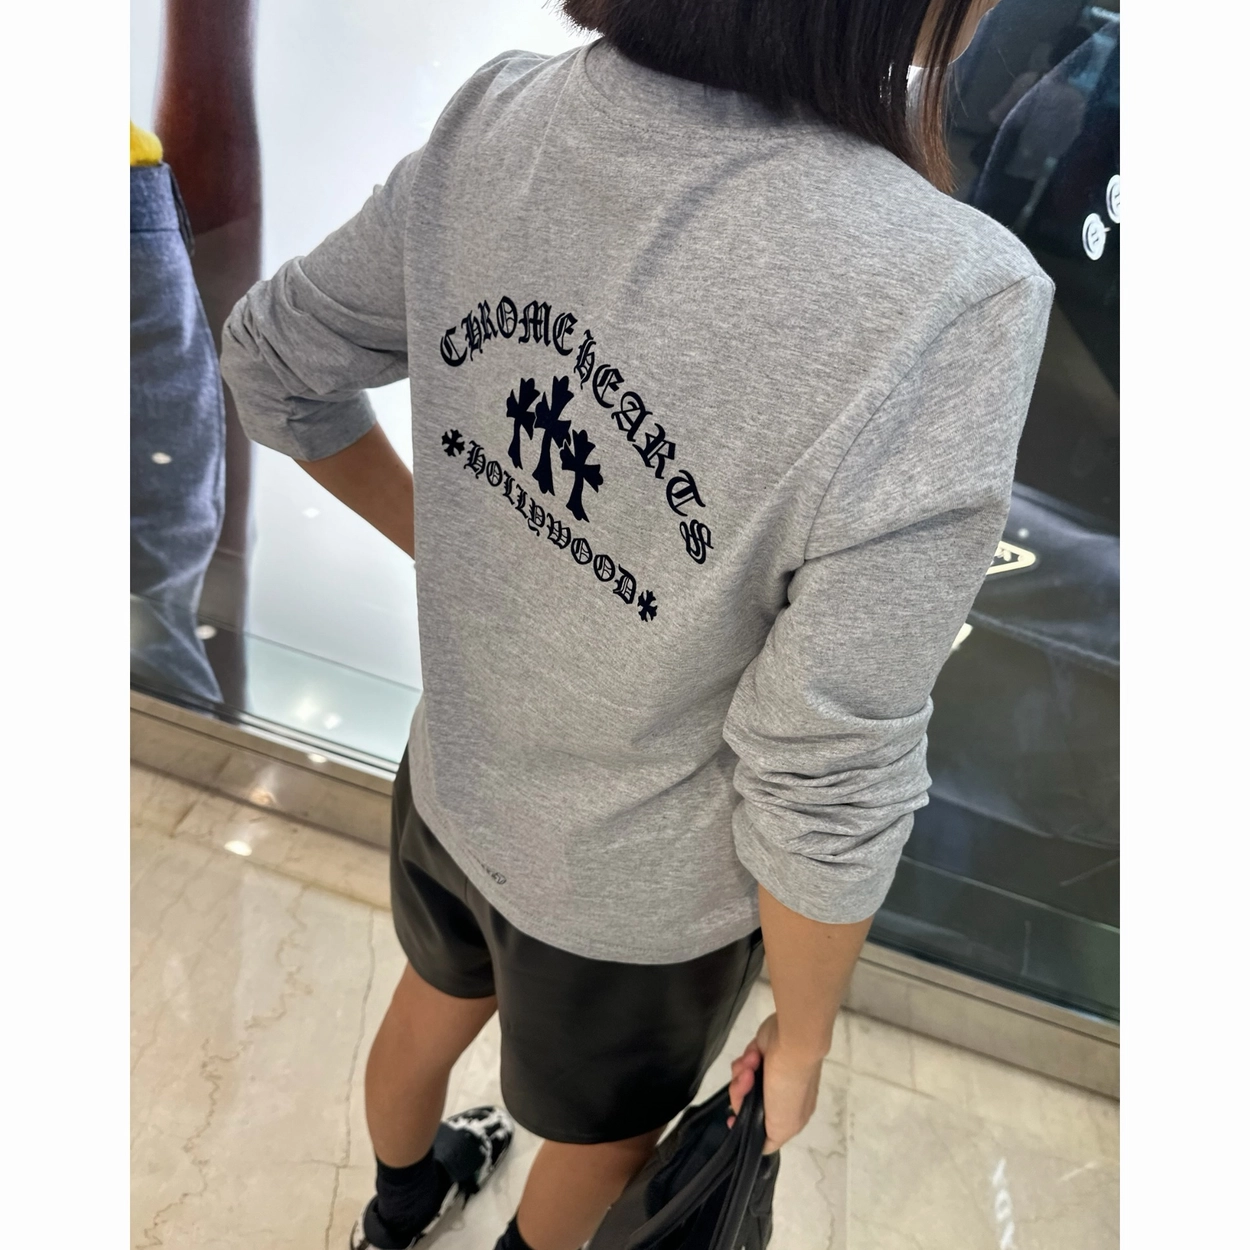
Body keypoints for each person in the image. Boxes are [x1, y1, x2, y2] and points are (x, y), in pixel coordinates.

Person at [219, 1, 1052, 1247]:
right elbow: (824, 764)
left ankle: (394, 1212)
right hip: (639, 901)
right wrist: (803, 1035)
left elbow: (272, 360)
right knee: (600, 1144)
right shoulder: (950, 296)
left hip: (454, 781)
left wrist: (458, 538)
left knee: (427, 1005)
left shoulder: (501, 115)